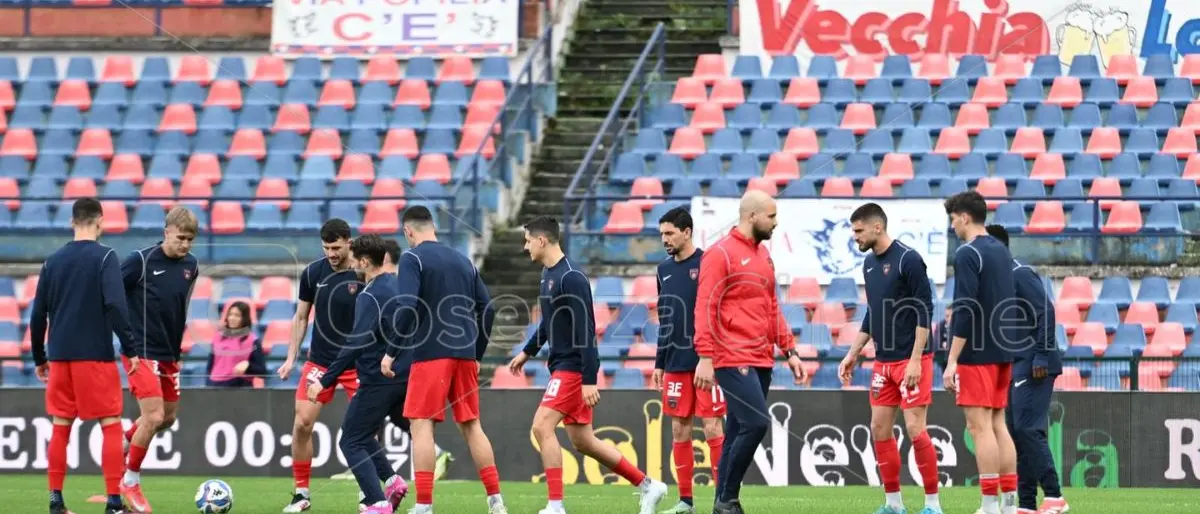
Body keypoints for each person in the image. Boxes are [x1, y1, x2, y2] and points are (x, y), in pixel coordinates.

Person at [507, 216, 668, 514]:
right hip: (562, 366)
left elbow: (586, 329)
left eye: (528, 241)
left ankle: (555, 506)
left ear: (542, 240)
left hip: (572, 369)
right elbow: (549, 321)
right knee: (583, 441)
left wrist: (589, 379)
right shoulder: (548, 273)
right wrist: (528, 351)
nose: (525, 246)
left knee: (541, 426)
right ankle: (648, 485)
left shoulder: (572, 277)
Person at [381, 206, 507, 514]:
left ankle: (424, 505)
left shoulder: (412, 258)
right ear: (433, 227)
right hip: (465, 354)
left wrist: (391, 351)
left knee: (421, 425)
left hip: (430, 354)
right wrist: (477, 354)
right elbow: (488, 309)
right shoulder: (463, 260)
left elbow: (407, 306)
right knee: (472, 425)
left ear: (408, 231)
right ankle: (496, 501)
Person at [693, 190, 807, 514]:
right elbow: (705, 306)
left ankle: (722, 504)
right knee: (756, 423)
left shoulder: (764, 256)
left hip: (761, 357)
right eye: (771, 216)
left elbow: (771, 307)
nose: (775, 222)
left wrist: (790, 350)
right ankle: (728, 498)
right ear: (751, 216)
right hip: (731, 356)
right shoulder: (719, 254)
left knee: (735, 431)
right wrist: (705, 356)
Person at [31, 197, 141, 514]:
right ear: (100, 221)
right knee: (109, 424)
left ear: (72, 222)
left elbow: (37, 315)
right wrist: (130, 348)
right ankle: (114, 503)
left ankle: (56, 502)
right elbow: (116, 305)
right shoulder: (105, 257)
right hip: (95, 356)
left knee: (60, 427)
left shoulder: (52, 262)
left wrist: (40, 358)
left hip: (60, 357)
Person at [838, 202, 942, 514]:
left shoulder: (909, 259)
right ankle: (894, 504)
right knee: (879, 429)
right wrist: (853, 353)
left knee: (915, 429)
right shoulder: (869, 264)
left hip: (912, 360)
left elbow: (925, 309)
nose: (855, 236)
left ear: (877, 227)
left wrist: (915, 359)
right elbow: (873, 313)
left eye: (859, 230)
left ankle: (933, 505)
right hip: (883, 362)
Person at [307, 235, 410, 514]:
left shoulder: (369, 295)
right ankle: (392, 481)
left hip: (378, 379)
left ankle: (377, 502)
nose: (350, 264)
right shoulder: (397, 284)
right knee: (363, 436)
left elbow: (355, 343)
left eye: (353, 259)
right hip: (404, 374)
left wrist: (324, 380)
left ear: (364, 262)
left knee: (349, 440)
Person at [118, 205, 201, 512]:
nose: (185, 245)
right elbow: (111, 295)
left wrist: (177, 348)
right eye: (180, 238)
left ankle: (125, 441)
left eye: (190, 239)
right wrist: (123, 338)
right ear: (166, 232)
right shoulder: (140, 261)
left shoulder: (191, 265)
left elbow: (179, 307)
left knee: (167, 418)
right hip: (140, 351)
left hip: (168, 352)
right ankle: (130, 480)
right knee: (153, 417)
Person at [277, 219, 363, 513]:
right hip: (321, 362)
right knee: (302, 423)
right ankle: (301, 494)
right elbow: (301, 317)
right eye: (326, 248)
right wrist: (291, 357)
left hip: (357, 363)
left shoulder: (363, 272)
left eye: (336, 247)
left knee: (366, 429)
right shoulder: (313, 272)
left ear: (349, 242)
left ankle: (368, 493)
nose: (331, 254)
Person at [942, 192, 1019, 514]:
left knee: (979, 428)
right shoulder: (1000, 250)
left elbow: (965, 307)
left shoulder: (968, 252)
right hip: (1003, 351)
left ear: (964, 217)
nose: (952, 226)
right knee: (999, 425)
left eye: (953, 219)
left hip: (977, 353)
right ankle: (1009, 504)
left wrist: (952, 360)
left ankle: (989, 505)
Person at [986, 225, 1069, 514]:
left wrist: (1042, 355)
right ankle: (1026, 504)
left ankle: (1055, 495)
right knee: (1016, 434)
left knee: (1027, 429)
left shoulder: (1020, 274)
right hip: (1015, 365)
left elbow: (1046, 311)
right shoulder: (996, 283)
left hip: (1034, 364)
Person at [651, 206, 725, 514]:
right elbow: (665, 318)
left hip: (707, 361)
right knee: (679, 430)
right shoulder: (663, 270)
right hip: (675, 362)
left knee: (712, 427)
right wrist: (659, 362)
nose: (665, 239)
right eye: (662, 234)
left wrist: (715, 357)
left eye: (669, 233)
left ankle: (723, 501)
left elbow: (720, 313)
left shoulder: (708, 263)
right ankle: (686, 502)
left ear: (687, 232)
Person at [206, 300, 268, 388]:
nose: (232, 318)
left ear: (244, 318)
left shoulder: (252, 340)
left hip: (239, 387)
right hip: (214, 386)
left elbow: (262, 371)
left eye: (237, 315)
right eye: (230, 314)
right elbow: (210, 367)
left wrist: (248, 366)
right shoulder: (217, 337)